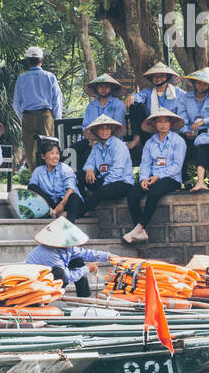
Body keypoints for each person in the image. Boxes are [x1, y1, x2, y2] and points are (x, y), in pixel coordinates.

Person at [124, 108, 187, 243]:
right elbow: (145, 164)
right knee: (133, 194)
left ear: (171, 124)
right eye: (159, 121)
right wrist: (143, 179)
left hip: (171, 178)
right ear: (154, 124)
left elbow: (177, 165)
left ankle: (138, 228)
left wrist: (159, 176)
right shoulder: (150, 142)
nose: (163, 124)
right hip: (151, 178)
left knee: (154, 194)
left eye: (166, 121)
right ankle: (141, 232)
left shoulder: (178, 141)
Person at [25, 218, 114, 298]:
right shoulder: (50, 253)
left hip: (50, 274)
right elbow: (67, 277)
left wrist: (108, 256)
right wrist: (87, 268)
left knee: (78, 261)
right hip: (36, 282)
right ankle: (42, 301)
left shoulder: (67, 247)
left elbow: (84, 253)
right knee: (60, 273)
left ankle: (84, 297)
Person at [11, 45, 62, 170]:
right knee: (49, 147)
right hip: (46, 116)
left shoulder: (21, 79)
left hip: (27, 116)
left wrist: (23, 117)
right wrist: (57, 120)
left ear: (27, 61)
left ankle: (35, 176)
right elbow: (57, 101)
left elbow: (16, 104)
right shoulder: (50, 77)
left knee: (30, 150)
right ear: (42, 60)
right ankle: (49, 175)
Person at [126, 61, 184, 163]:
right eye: (155, 76)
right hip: (152, 129)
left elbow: (187, 104)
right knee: (134, 105)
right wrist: (132, 97)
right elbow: (139, 96)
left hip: (172, 129)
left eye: (161, 76)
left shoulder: (178, 93)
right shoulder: (148, 92)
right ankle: (137, 138)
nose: (158, 79)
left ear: (167, 77)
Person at [80, 115, 134, 211]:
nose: (105, 131)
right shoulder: (96, 146)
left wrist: (103, 185)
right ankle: (81, 202)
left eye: (107, 128)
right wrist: (89, 169)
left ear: (112, 130)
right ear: (96, 131)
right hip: (104, 182)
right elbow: (89, 162)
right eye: (101, 128)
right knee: (79, 176)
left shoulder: (118, 145)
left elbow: (117, 171)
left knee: (101, 191)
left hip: (121, 183)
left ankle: (80, 212)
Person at [28, 139, 87, 221]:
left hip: (67, 202)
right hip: (52, 204)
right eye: (52, 153)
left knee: (74, 197)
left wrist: (61, 206)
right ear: (43, 156)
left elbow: (70, 190)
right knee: (32, 187)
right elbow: (32, 190)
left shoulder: (65, 168)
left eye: (57, 153)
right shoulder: (38, 171)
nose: (55, 156)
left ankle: (68, 224)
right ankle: (51, 212)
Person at [178, 67, 209, 154]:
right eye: (198, 83)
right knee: (180, 145)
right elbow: (181, 118)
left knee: (205, 148)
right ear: (194, 83)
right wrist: (186, 131)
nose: (201, 86)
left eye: (204, 84)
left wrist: (203, 122)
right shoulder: (185, 98)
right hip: (191, 132)